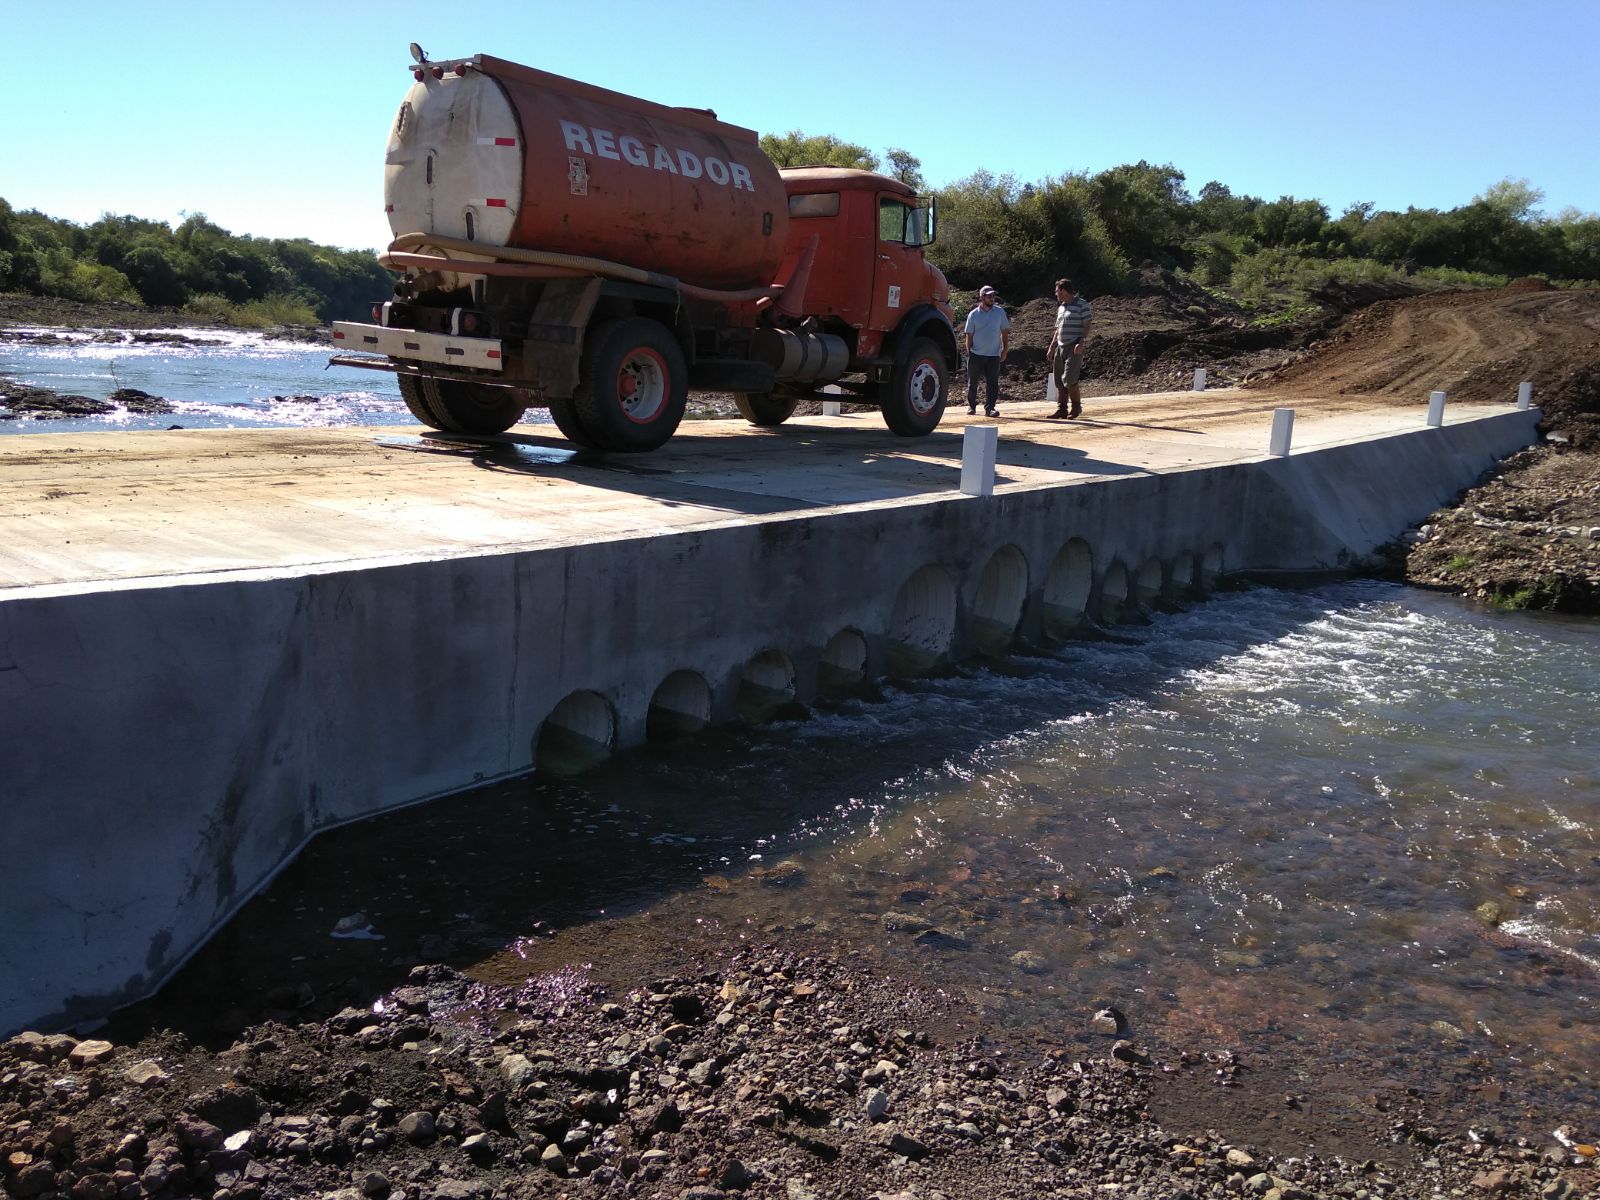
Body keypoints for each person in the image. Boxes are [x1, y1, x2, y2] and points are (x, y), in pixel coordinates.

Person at [1046, 278, 1093, 418]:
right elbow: (1058, 329)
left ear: (1063, 290)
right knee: (1059, 380)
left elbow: (1087, 325)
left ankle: (1076, 407)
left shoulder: (1082, 305)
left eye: (1056, 291)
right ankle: (1062, 409)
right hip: (1060, 346)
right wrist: (1052, 346)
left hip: (1074, 346)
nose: (1055, 294)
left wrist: (1081, 341)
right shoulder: (1061, 307)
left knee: (1069, 378)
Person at [963, 285, 1010, 417]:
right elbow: (969, 335)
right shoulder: (973, 315)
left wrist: (1004, 349)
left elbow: (1004, 332)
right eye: (989, 296)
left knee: (992, 383)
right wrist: (969, 351)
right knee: (973, 382)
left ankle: (990, 408)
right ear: (982, 297)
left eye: (993, 296)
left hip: (993, 354)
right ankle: (971, 406)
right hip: (976, 354)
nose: (992, 298)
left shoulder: (1000, 312)